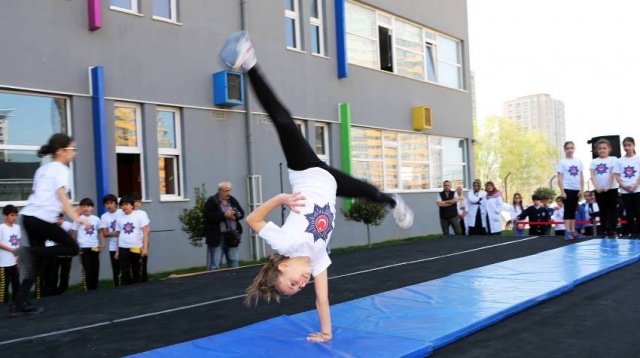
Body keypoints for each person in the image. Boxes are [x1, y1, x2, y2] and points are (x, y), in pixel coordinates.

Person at [220, 31, 413, 343]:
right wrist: (325, 332)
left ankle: (249, 62)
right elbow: (322, 299)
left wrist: (282, 198)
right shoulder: (318, 259)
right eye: (298, 288)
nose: (301, 284)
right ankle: (392, 202)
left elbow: (252, 220)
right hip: (330, 181)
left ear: (283, 266)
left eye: (292, 283)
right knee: (367, 190)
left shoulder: (284, 243)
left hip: (306, 172)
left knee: (284, 123)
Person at [12, 133, 90, 317]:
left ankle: (19, 303)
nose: (75, 153)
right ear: (61, 151)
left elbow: (48, 197)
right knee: (72, 248)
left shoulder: (43, 169)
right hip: (40, 219)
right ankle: (29, 252)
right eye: (73, 149)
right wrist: (77, 218)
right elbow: (61, 196)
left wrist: (72, 211)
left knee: (37, 264)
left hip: (29, 218)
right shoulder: (61, 169)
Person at [203, 181, 245, 270]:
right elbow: (208, 216)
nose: (228, 193)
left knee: (234, 261)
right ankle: (215, 281)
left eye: (229, 190)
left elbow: (242, 213)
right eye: (226, 191)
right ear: (219, 191)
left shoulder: (232, 200)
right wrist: (224, 215)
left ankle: (234, 280)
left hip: (232, 235)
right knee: (215, 264)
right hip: (217, 236)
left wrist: (236, 216)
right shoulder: (212, 201)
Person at [70, 198, 104, 291]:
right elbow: (74, 232)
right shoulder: (78, 219)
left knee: (95, 268)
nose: (86, 208)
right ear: (81, 207)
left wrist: (102, 243)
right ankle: (87, 288)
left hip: (94, 246)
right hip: (83, 247)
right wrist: (74, 246)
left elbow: (100, 232)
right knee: (86, 269)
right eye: (84, 206)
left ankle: (95, 287)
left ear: (92, 208)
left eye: (88, 206)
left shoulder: (96, 219)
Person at [114, 195, 149, 285]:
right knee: (124, 273)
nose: (124, 207)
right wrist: (117, 251)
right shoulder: (119, 219)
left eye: (126, 204)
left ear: (132, 205)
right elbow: (118, 235)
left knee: (137, 272)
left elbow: (145, 232)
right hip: (123, 248)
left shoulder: (139, 216)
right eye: (122, 205)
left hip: (136, 247)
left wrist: (144, 248)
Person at [590, 139, 620, 238]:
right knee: (603, 210)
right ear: (597, 150)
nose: (602, 150)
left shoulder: (613, 159)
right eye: (600, 149)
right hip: (599, 190)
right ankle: (603, 230)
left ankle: (613, 230)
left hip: (611, 189)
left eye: (604, 148)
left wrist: (608, 186)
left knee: (612, 210)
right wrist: (597, 187)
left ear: (609, 149)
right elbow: (593, 175)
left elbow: (612, 173)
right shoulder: (594, 161)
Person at [556, 140, 585, 239]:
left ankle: (573, 231)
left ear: (574, 149)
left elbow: (581, 176)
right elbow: (559, 177)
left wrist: (582, 189)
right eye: (567, 148)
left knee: (573, 210)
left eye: (571, 148)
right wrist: (562, 191)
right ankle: (567, 231)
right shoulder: (562, 162)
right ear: (565, 150)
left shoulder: (578, 162)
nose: (569, 150)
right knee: (567, 210)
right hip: (567, 188)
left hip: (576, 189)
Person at [616, 137, 640, 238]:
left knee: (638, 212)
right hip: (625, 191)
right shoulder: (620, 160)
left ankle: (638, 232)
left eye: (629, 145)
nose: (627, 147)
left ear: (633, 145)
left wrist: (635, 185)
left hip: (637, 190)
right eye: (625, 146)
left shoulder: (638, 159)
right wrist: (624, 186)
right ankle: (631, 232)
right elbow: (617, 176)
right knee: (628, 213)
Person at [100, 194, 123, 286]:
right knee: (116, 270)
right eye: (106, 203)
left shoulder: (122, 212)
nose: (109, 205)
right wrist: (115, 233)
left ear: (115, 204)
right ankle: (117, 286)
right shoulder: (104, 216)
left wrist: (116, 233)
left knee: (125, 268)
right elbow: (104, 233)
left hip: (124, 244)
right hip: (113, 246)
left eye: (111, 203)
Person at [0, 205, 20, 308]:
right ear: (5, 216)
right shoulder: (1, 228)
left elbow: (18, 242)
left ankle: (16, 305)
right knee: (4, 287)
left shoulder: (17, 227)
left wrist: (18, 257)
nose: (14, 218)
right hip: (4, 263)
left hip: (14, 262)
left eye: (16, 215)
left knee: (16, 284)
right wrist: (11, 250)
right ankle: (3, 306)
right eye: (12, 215)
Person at [133, 193, 150, 282]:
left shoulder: (143, 213)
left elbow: (147, 228)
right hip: (134, 244)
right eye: (135, 201)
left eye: (139, 202)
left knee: (143, 265)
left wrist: (145, 245)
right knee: (135, 267)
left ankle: (144, 282)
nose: (137, 204)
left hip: (142, 243)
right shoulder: (128, 213)